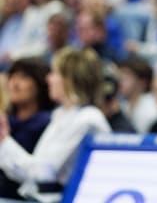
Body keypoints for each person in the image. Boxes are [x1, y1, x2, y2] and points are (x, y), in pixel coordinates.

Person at [0, 47, 110, 202]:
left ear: (69, 79)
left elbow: (43, 173)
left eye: (54, 73)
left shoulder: (88, 119)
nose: (48, 79)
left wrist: (4, 141)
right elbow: (32, 173)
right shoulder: (62, 114)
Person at [0, 58, 54, 200]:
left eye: (24, 77)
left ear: (40, 84)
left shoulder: (48, 124)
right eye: (12, 77)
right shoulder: (7, 120)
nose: (14, 84)